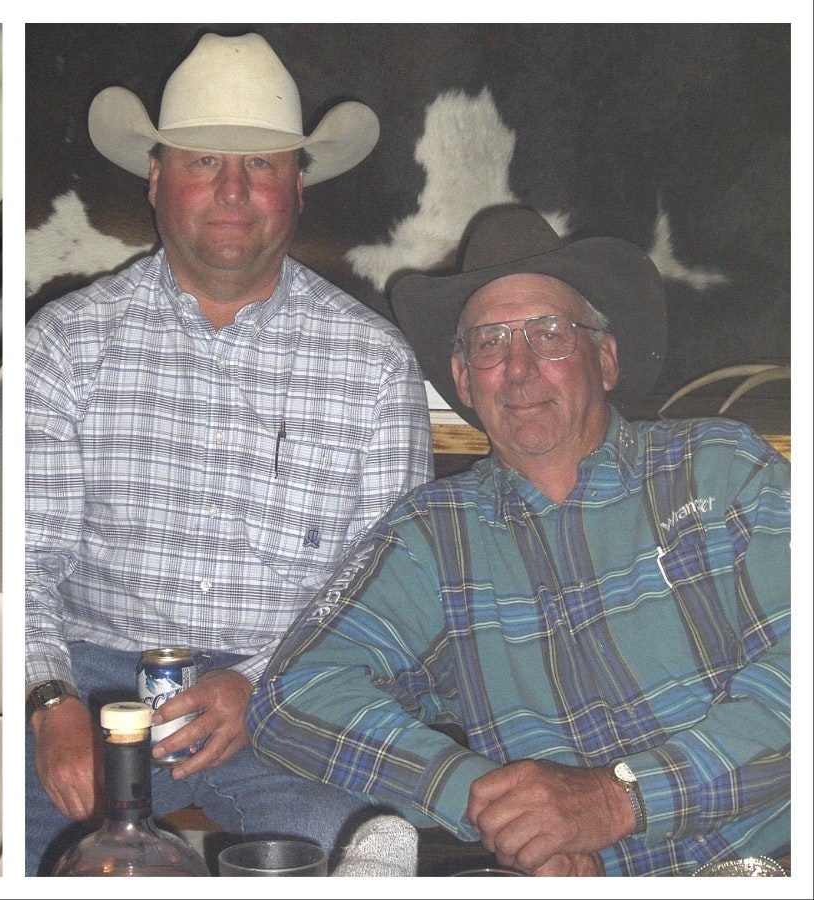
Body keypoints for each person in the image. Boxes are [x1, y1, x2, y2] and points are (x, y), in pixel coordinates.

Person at [249, 205, 791, 876]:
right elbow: (292, 697)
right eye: (489, 341)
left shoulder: (720, 469)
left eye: (549, 333)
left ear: (607, 358)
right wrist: (495, 805)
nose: (519, 366)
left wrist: (619, 801)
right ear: (463, 381)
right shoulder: (435, 536)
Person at [25, 31, 434, 874]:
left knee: (369, 843)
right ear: (156, 177)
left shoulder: (374, 364)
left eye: (263, 166)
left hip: (293, 689)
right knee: (33, 849)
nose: (235, 190)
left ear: (298, 187)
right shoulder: (63, 347)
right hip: (95, 683)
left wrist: (266, 685)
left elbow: (387, 587)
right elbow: (28, 557)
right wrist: (50, 701)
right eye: (205, 162)